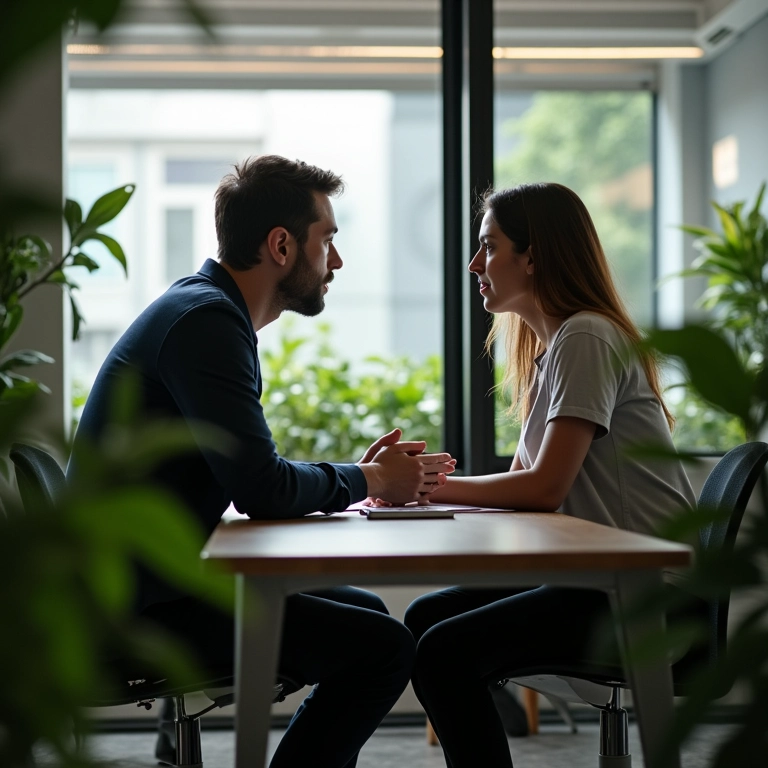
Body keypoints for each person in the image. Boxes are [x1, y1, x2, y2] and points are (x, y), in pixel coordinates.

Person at [68, 154, 455, 768]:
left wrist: (359, 476)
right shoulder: (206, 324)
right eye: (327, 238)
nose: (338, 259)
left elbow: (254, 471)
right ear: (281, 244)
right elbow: (262, 487)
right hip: (135, 612)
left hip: (148, 585)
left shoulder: (204, 311)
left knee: (369, 613)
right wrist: (371, 478)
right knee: (381, 648)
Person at [397, 182, 697, 768]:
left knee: (442, 653)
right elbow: (525, 492)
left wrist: (421, 488)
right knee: (425, 618)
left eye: (489, 246)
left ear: (533, 255)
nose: (474, 264)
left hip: (651, 601)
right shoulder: (556, 347)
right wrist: (418, 488)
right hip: (600, 585)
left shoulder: (586, 335)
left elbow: (543, 488)